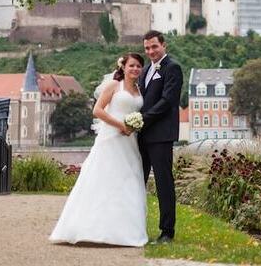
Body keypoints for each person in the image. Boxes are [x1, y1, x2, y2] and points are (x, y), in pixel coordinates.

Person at [49, 53, 148, 247]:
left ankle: (126, 231)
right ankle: (87, 228)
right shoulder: (113, 86)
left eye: (138, 66)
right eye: (132, 66)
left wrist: (133, 126)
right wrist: (120, 125)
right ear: (123, 67)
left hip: (130, 140)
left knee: (129, 180)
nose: (135, 69)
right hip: (111, 137)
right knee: (102, 178)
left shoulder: (139, 89)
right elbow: (97, 110)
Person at [138, 30, 182, 244]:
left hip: (161, 136)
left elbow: (167, 101)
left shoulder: (173, 68)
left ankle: (167, 231)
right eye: (147, 48)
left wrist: (143, 119)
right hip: (141, 136)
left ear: (163, 45)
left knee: (164, 183)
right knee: (138, 182)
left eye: (154, 46)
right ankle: (136, 227)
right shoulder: (145, 70)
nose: (151, 51)